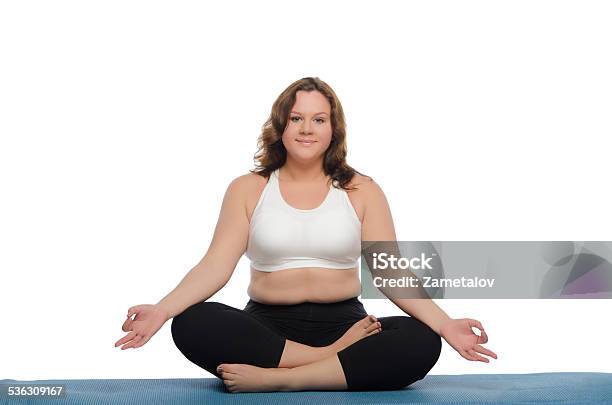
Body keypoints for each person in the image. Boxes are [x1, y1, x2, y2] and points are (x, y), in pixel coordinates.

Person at [114, 77, 498, 393]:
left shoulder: (362, 190)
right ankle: (329, 362)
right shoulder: (247, 189)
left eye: (318, 120)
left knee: (422, 339)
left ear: (334, 129)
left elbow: (390, 272)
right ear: (281, 126)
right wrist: (162, 310)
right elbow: (216, 265)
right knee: (191, 322)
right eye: (297, 118)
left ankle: (285, 379)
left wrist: (445, 324)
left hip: (348, 325)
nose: (307, 129)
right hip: (266, 330)